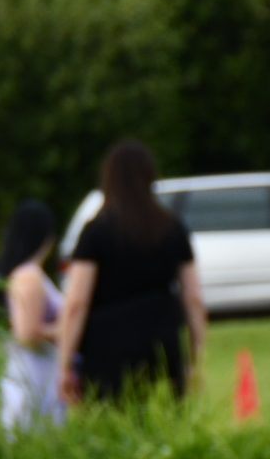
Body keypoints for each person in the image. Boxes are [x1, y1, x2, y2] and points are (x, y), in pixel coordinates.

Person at [54, 140, 207, 403]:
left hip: (107, 347)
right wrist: (196, 358)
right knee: (163, 417)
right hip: (162, 342)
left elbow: (76, 303)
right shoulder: (172, 227)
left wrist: (65, 364)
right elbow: (193, 298)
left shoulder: (96, 231)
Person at [0, 199, 66, 432]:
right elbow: (26, 333)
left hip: (36, 372)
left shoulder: (27, 273)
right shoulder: (29, 276)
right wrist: (66, 329)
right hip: (34, 374)